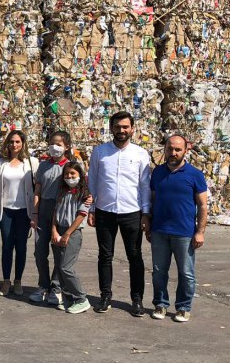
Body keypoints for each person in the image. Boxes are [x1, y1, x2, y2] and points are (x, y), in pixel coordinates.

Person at [87, 111, 152, 316]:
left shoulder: (140, 154)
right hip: (105, 211)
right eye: (117, 127)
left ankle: (137, 299)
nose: (121, 130)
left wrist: (146, 213)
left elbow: (144, 186)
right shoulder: (100, 152)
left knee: (135, 256)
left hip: (131, 211)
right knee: (105, 256)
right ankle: (105, 296)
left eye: (125, 127)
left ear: (132, 129)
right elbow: (93, 181)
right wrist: (91, 208)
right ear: (111, 128)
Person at [146, 135, 208, 323]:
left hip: (184, 233)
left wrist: (200, 231)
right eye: (170, 149)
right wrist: (148, 221)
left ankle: (183, 307)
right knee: (158, 271)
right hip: (159, 231)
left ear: (185, 151)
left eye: (177, 150)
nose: (173, 153)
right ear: (165, 149)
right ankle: (161, 304)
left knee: (186, 273)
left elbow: (203, 205)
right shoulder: (157, 173)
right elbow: (153, 199)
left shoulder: (195, 175)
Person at [0, 129, 37, 297]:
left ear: (23, 143)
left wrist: (35, 213)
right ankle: (6, 281)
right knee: (7, 246)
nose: (14, 145)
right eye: (11, 142)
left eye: (17, 141)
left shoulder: (31, 163)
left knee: (22, 247)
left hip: (24, 211)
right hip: (6, 211)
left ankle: (18, 281)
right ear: (7, 144)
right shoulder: (0, 163)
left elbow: (37, 188)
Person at [31, 131, 74, 306]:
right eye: (51, 143)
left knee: (59, 252)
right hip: (43, 210)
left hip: (62, 211)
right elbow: (37, 191)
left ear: (66, 146)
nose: (54, 147)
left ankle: (56, 289)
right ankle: (43, 285)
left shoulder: (70, 166)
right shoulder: (43, 166)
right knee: (40, 252)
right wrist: (34, 213)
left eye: (58, 144)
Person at [50, 162, 91, 314]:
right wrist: (54, 230)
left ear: (80, 175)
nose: (69, 177)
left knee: (66, 267)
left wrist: (67, 233)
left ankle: (81, 298)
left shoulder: (84, 194)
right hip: (59, 229)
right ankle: (69, 299)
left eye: (73, 174)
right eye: (67, 174)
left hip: (72, 232)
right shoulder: (62, 191)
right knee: (59, 266)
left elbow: (81, 216)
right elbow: (56, 211)